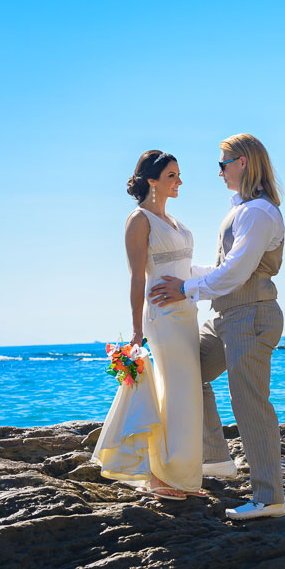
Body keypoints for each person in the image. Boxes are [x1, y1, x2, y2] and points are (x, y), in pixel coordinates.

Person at [150, 133, 285, 520]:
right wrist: (176, 274)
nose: (219, 171)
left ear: (242, 162)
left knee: (250, 405)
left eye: (222, 163)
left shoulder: (258, 212)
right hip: (226, 317)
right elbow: (225, 270)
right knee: (188, 369)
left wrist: (186, 288)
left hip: (252, 316)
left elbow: (237, 272)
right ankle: (216, 458)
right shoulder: (241, 209)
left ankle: (269, 498)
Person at [92, 151, 205, 501]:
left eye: (179, 175)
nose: (180, 182)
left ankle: (184, 478)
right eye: (173, 175)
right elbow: (137, 279)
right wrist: (137, 330)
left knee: (186, 396)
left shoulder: (174, 222)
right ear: (152, 180)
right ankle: (158, 476)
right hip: (162, 319)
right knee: (171, 393)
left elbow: (186, 270)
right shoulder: (138, 220)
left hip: (187, 315)